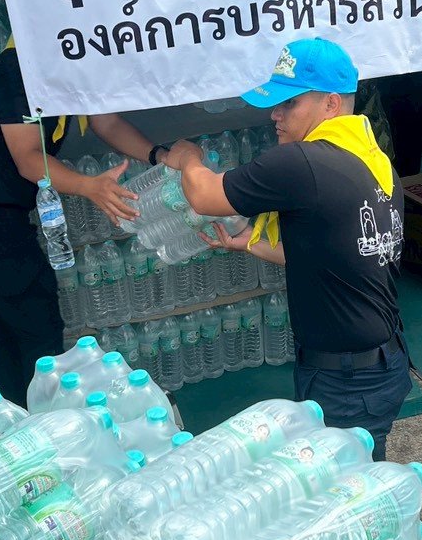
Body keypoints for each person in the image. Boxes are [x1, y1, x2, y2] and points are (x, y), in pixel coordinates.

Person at [162, 38, 409, 459]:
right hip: (379, 363)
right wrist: (250, 244)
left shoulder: (303, 162)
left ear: (330, 103)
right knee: (358, 472)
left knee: (347, 487)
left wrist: (188, 158)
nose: (275, 114)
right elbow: (337, 254)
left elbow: (204, 196)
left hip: (347, 378)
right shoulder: (372, 160)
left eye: (289, 103)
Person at [0, 43, 159, 407]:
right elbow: (28, 159)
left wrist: (159, 155)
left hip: (5, 218)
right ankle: (43, 420)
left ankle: (15, 415)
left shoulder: (71, 62)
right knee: (38, 328)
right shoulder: (16, 70)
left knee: (16, 327)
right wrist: (89, 186)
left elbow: (107, 122)